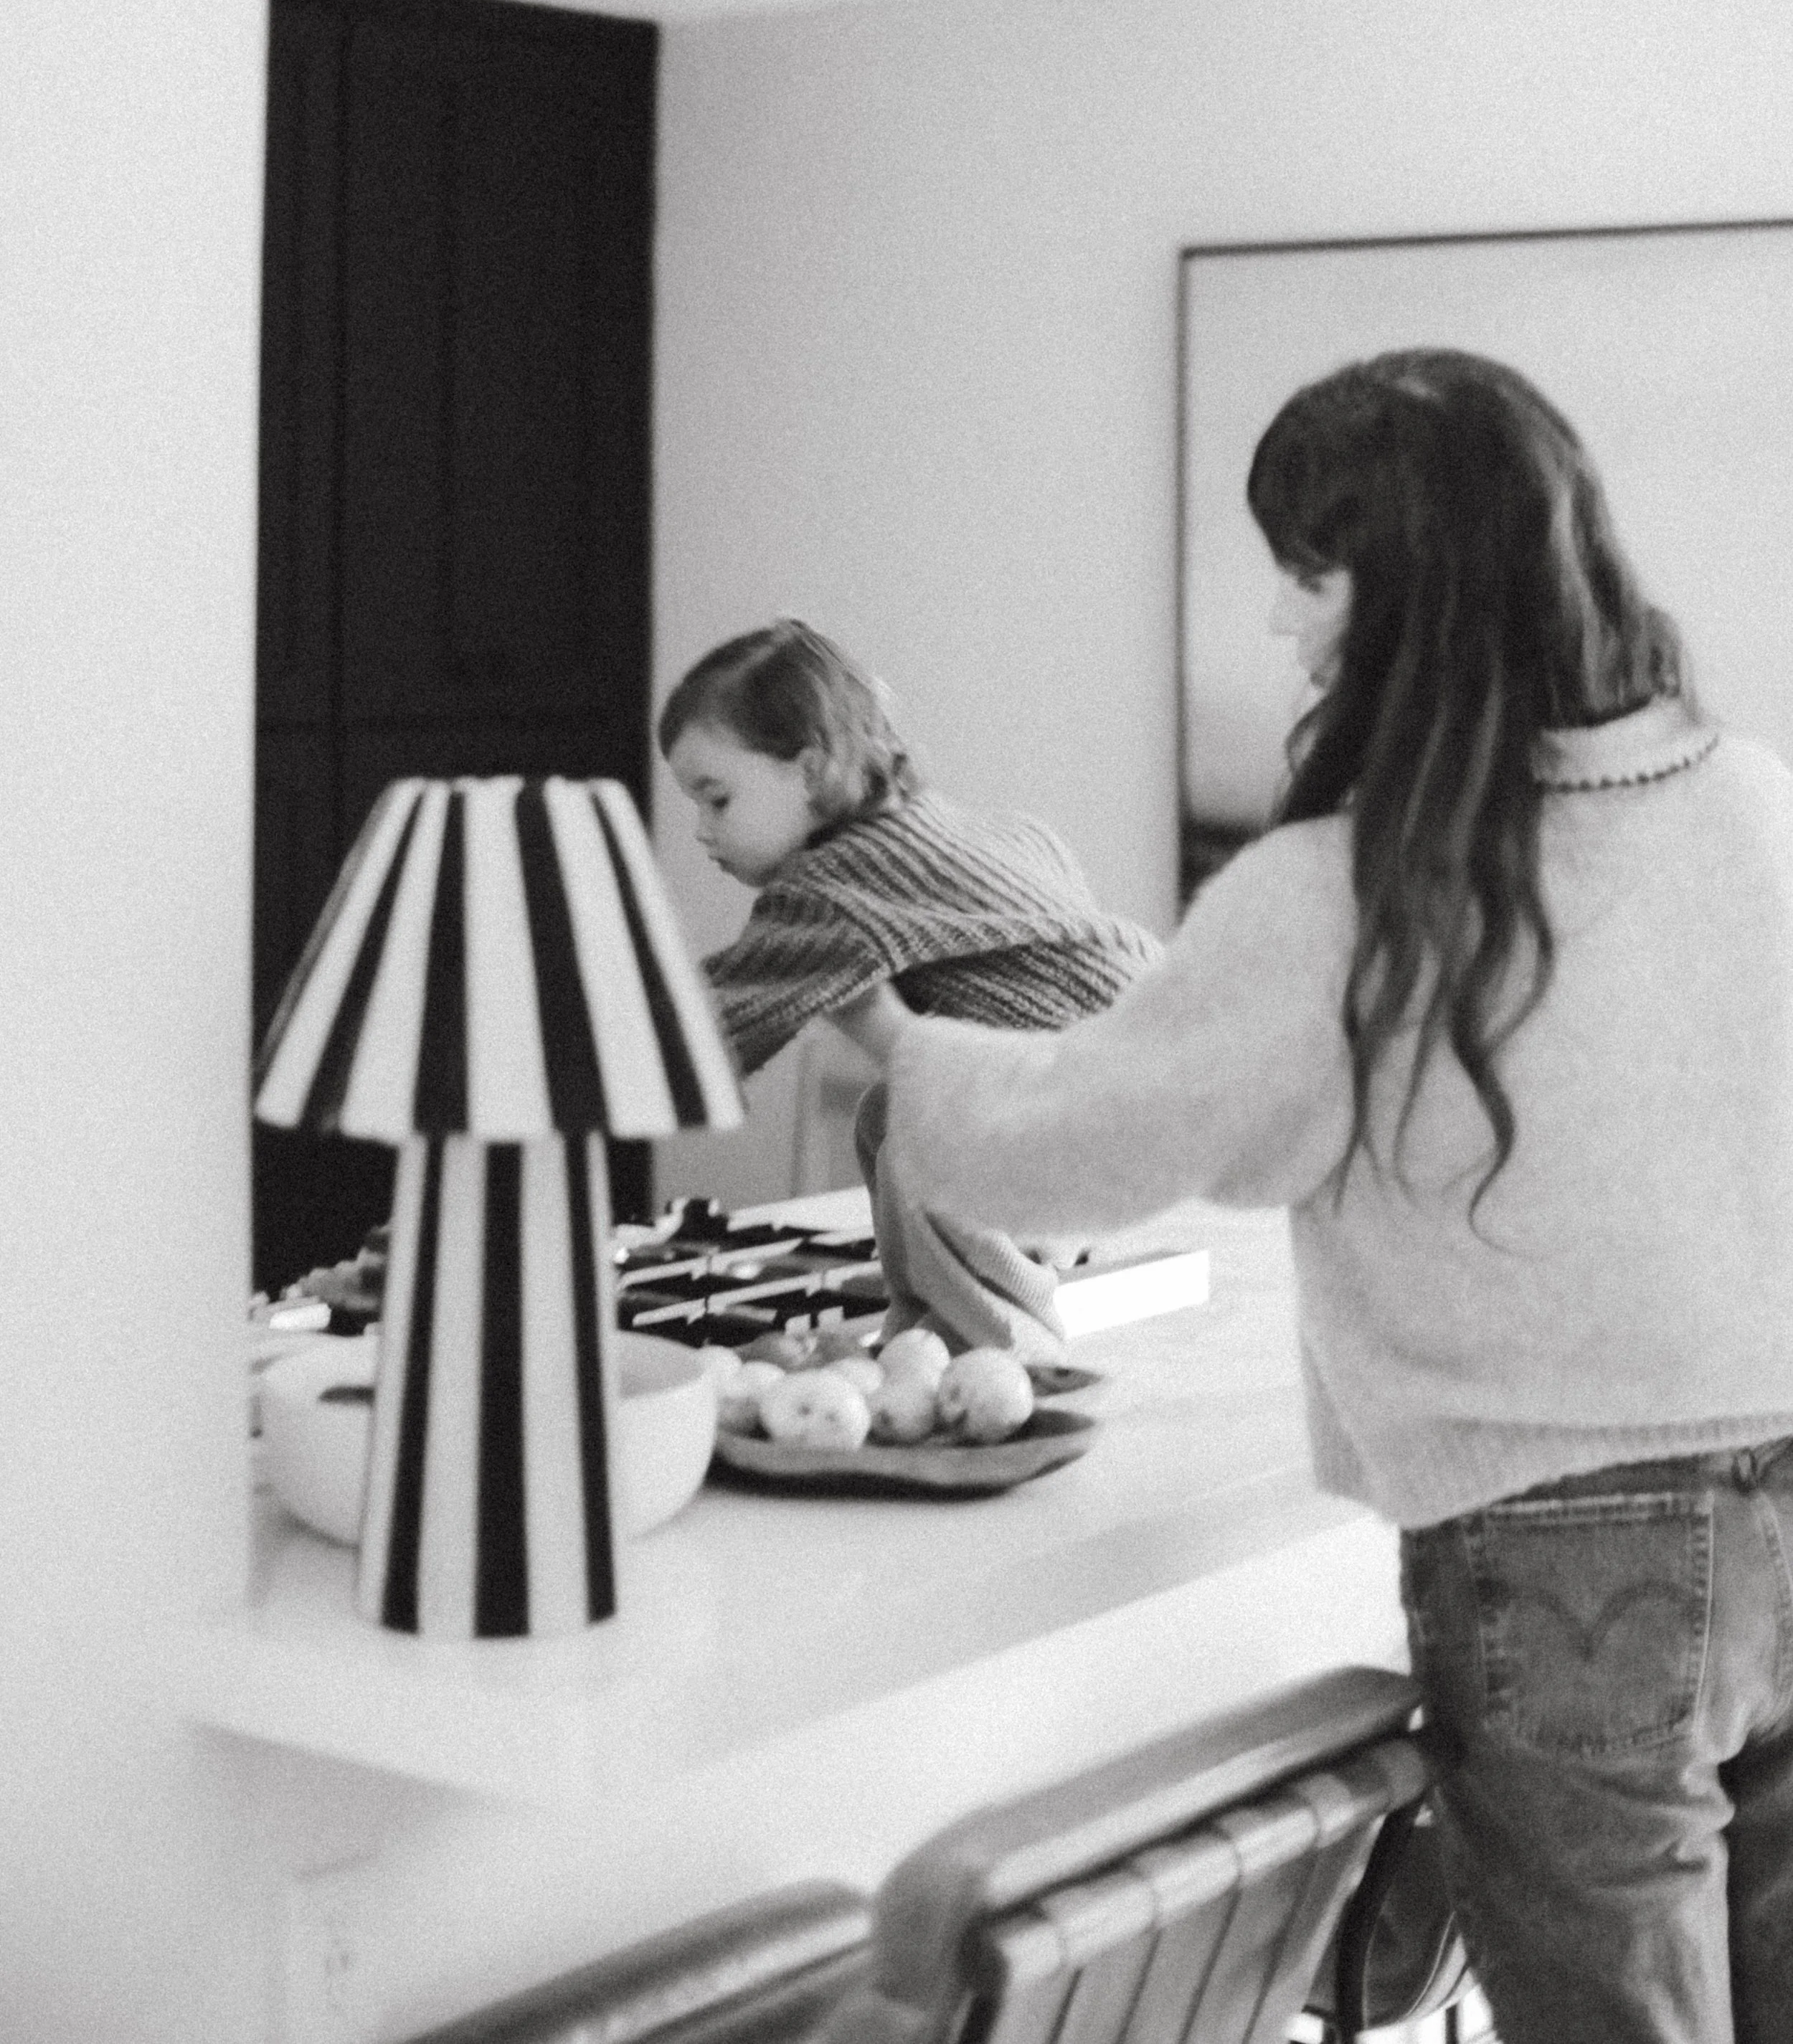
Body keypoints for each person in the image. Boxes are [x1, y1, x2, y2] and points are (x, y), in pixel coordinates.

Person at [853, 351, 1793, 2044]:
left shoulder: (1352, 886)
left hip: (1567, 1529)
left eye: (1311, 569)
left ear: (1415, 588)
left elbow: (1088, 1145)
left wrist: (905, 1053)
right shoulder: (1761, 801)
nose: (1284, 623)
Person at [658, 617, 1161, 1354]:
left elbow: (705, 1029)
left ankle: (992, 1344)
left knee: (922, 1140)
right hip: (1141, 1073)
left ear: (805, 771)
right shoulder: (955, 831)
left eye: (716, 798)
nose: (701, 829)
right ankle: (989, 1279)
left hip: (1085, 1092)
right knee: (886, 1115)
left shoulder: (833, 888)